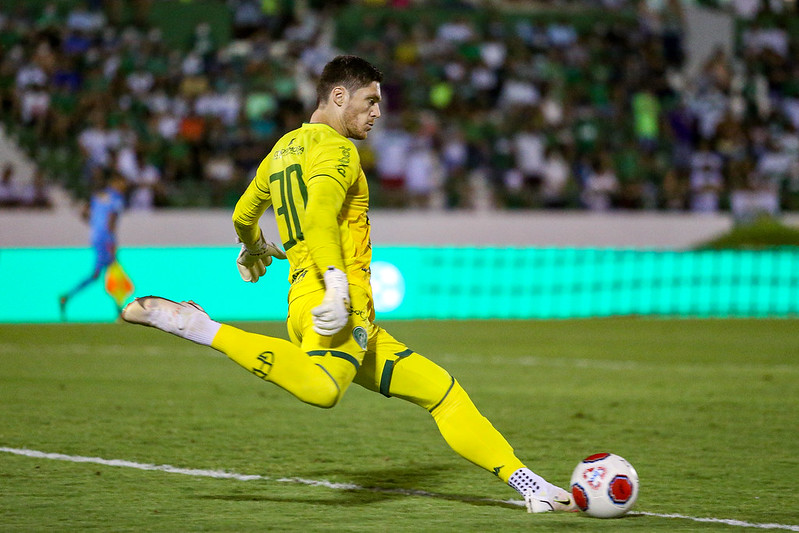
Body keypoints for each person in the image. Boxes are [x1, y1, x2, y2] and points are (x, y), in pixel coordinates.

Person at [121, 55, 574, 513]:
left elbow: (242, 215)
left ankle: (530, 485)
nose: (378, 112)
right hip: (335, 298)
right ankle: (198, 325)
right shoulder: (340, 149)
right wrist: (336, 284)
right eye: (370, 101)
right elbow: (318, 214)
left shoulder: (281, 149)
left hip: (312, 302)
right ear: (338, 97)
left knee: (443, 392)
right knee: (323, 389)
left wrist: (255, 246)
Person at [60, 172, 128, 320]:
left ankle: (118, 311)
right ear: (115, 183)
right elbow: (111, 219)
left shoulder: (98, 196)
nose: (125, 187)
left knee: (106, 273)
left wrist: (95, 225)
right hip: (106, 239)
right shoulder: (117, 198)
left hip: (96, 237)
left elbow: (84, 212)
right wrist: (112, 241)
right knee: (110, 273)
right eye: (123, 183)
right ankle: (119, 312)